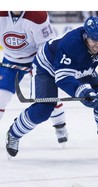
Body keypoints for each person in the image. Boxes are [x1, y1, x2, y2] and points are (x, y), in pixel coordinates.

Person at [5, 16, 98, 160]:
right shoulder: (71, 43)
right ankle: (13, 134)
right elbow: (63, 77)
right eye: (94, 40)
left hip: (81, 68)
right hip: (47, 68)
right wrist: (84, 92)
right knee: (42, 110)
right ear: (85, 36)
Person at [0, 11, 68, 145]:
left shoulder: (37, 15)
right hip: (10, 59)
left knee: (45, 98)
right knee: (0, 96)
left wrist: (40, 66)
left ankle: (60, 125)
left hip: (37, 59)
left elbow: (47, 46)